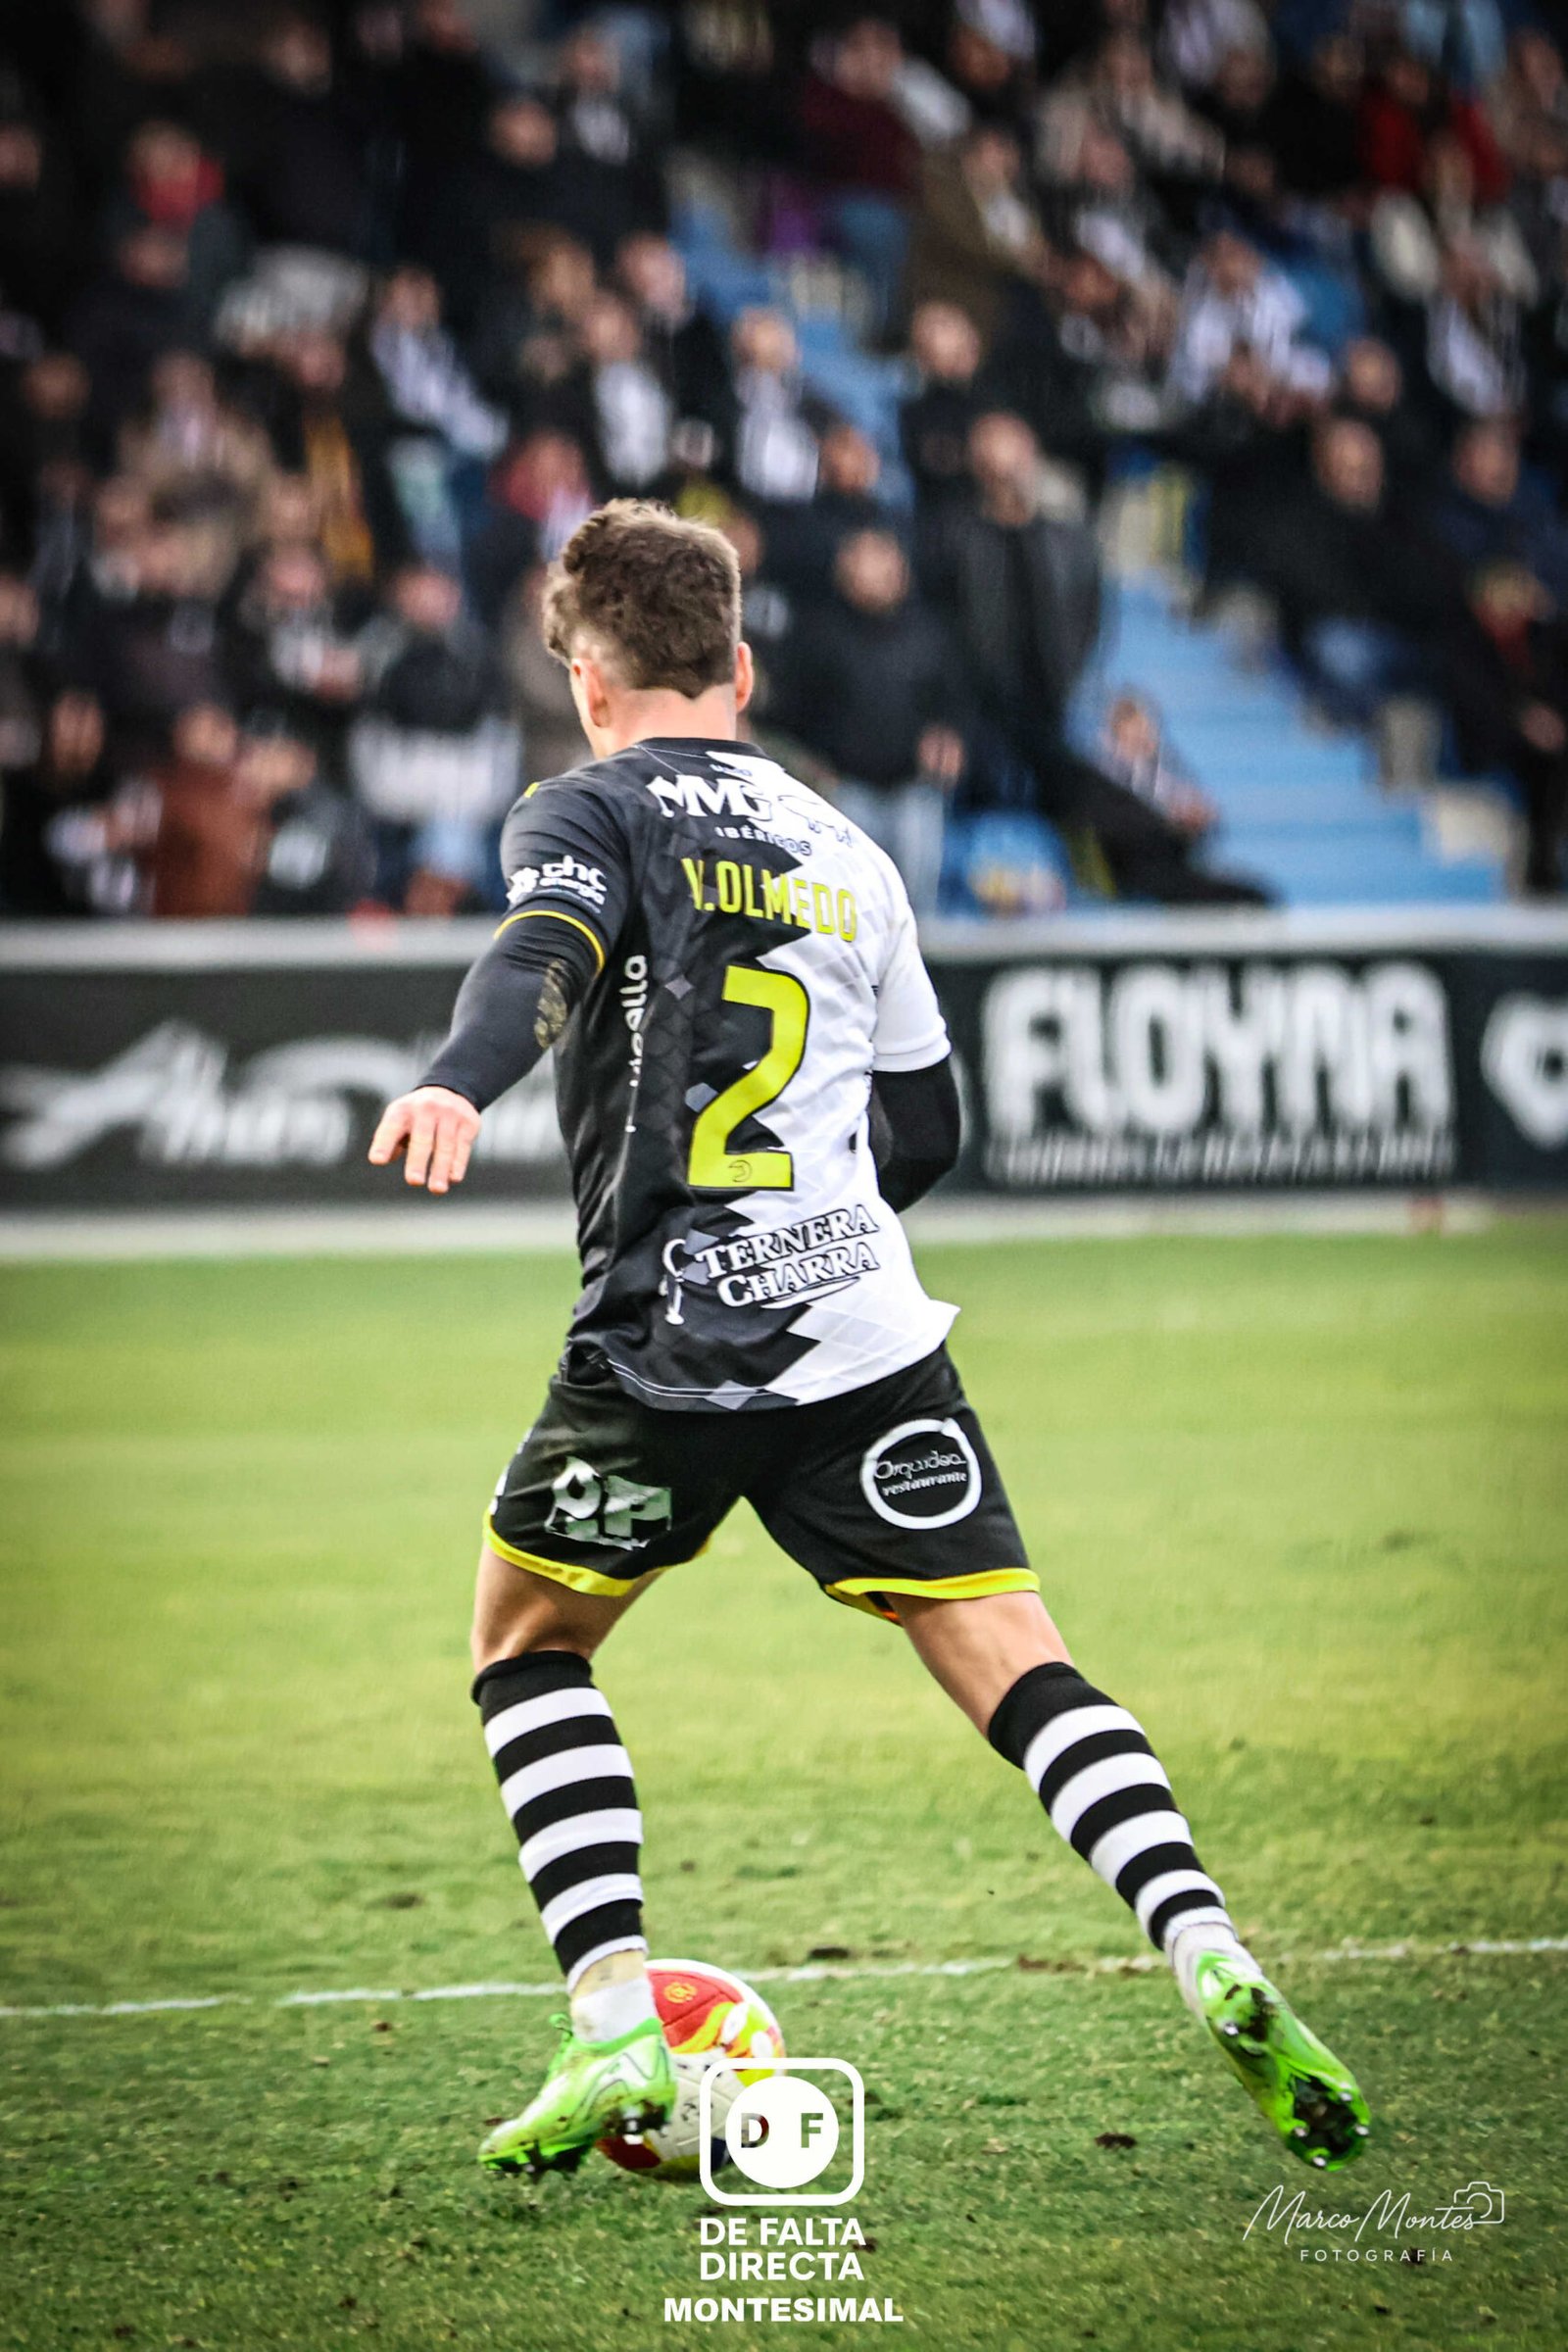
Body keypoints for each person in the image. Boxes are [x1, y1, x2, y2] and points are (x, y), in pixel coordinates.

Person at [365, 499, 1369, 2180]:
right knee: (1019, 1663)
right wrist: (817, 1229)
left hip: (667, 1346)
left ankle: (613, 2022)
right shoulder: (849, 847)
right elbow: (929, 1129)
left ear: (590, 683)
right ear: (743, 669)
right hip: (863, 1337)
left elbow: (545, 951)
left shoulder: (585, 805)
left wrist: (459, 1080)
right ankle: (1208, 1944)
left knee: (527, 1647)